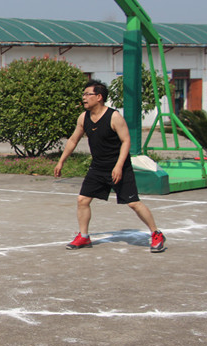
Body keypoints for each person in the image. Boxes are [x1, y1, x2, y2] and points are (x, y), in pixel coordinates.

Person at [55, 80, 166, 252]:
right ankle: (84, 236)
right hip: (98, 167)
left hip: (119, 167)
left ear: (99, 97)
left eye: (87, 94)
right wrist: (61, 161)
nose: (84, 98)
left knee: (133, 203)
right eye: (83, 94)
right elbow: (73, 140)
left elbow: (126, 141)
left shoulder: (114, 117)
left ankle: (156, 233)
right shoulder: (83, 117)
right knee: (82, 200)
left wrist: (119, 166)